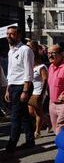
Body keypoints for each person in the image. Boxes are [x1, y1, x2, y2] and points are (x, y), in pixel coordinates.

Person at [4, 26, 35, 155]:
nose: (9, 36)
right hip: (13, 86)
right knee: (23, 115)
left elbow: (28, 71)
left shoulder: (25, 50)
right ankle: (30, 140)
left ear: (18, 35)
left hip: (22, 86)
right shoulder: (11, 51)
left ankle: (10, 148)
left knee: (15, 117)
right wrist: (7, 89)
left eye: (12, 34)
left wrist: (25, 91)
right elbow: (11, 72)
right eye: (7, 34)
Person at [48, 44, 64, 134]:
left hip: (63, 104)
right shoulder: (50, 67)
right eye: (48, 53)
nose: (50, 55)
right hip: (52, 103)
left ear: (61, 54)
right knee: (55, 130)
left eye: (53, 53)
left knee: (61, 131)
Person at [27, 40, 48, 139]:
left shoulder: (41, 66)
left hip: (39, 91)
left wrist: (42, 94)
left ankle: (37, 132)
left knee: (38, 112)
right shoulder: (30, 65)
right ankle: (48, 120)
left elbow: (45, 80)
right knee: (31, 112)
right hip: (31, 91)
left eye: (29, 47)